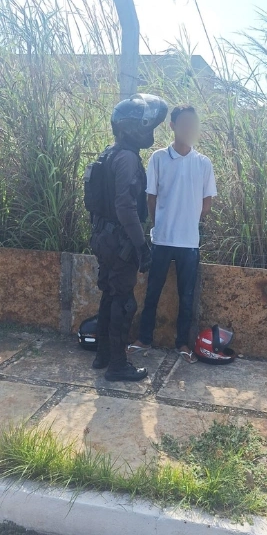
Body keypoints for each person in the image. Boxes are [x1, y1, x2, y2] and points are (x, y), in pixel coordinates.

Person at [87, 93, 167, 381]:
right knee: (124, 301)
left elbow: (98, 203)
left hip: (103, 237)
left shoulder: (108, 154)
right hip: (119, 240)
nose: (149, 131)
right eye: (145, 125)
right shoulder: (128, 159)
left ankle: (103, 355)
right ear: (131, 128)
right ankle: (117, 366)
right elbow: (125, 206)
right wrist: (140, 246)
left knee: (110, 294)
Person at [129, 105, 217, 363]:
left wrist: (189, 220)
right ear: (173, 126)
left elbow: (207, 202)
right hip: (162, 239)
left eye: (193, 123)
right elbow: (151, 197)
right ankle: (143, 339)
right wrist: (162, 224)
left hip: (189, 243)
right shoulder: (158, 158)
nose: (189, 128)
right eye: (184, 123)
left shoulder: (203, 163)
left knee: (187, 297)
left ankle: (183, 345)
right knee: (152, 292)